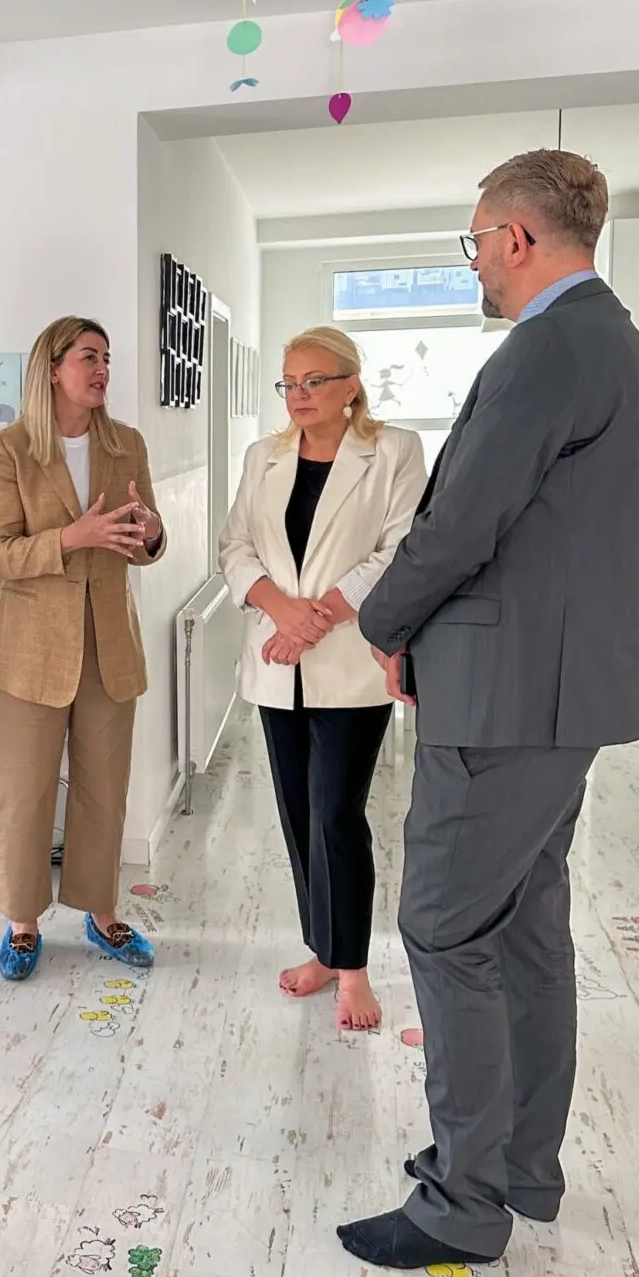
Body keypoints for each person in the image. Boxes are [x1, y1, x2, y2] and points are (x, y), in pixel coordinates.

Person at [339, 150, 639, 1270]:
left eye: (476, 240)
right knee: (521, 926)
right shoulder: (611, 340)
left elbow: (462, 521)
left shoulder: (550, 346)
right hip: (555, 689)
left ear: (516, 238)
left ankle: (460, 1203)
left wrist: (384, 621)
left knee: (443, 926)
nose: (474, 260)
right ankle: (520, 1166)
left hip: (508, 693)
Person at [219, 327, 425, 1032]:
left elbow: (401, 549)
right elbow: (235, 546)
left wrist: (319, 617)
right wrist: (282, 611)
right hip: (278, 661)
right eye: (290, 383)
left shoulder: (394, 451)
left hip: (348, 663)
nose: (299, 395)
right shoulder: (263, 456)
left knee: (337, 814)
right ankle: (323, 950)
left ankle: (354, 968)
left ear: (351, 386)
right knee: (299, 815)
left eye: (315, 381)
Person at [0, 316, 165, 981]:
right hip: (30, 652)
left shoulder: (127, 444)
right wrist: (70, 538)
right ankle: (23, 923)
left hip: (109, 645)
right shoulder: (9, 449)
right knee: (24, 795)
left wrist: (151, 533)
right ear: (52, 368)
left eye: (106, 357)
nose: (102, 369)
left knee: (104, 791)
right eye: (89, 356)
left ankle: (101, 912)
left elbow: (145, 546)